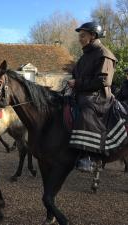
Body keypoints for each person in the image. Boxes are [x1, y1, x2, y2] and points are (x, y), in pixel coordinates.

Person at [68, 22, 117, 172]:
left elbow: (104, 80)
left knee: (86, 110)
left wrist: (77, 82)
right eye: (79, 36)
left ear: (93, 36)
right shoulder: (85, 56)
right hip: (83, 92)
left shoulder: (104, 54)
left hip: (99, 97)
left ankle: (88, 156)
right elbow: (77, 74)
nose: (80, 39)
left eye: (82, 35)